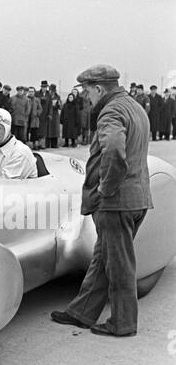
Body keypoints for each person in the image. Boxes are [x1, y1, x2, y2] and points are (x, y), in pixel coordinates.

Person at [51, 64, 153, 337]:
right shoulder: (133, 105)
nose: (86, 97)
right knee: (103, 257)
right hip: (136, 197)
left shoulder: (111, 111)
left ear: (99, 88)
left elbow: (114, 152)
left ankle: (122, 323)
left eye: (87, 91)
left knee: (118, 264)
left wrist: (106, 189)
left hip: (117, 202)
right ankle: (82, 312)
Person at [36, 80, 52, 149]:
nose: (44, 88)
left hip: (45, 115)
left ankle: (42, 144)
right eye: (43, 87)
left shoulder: (49, 95)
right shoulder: (37, 94)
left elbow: (50, 105)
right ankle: (37, 144)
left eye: (45, 87)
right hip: (38, 114)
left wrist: (50, 114)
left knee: (43, 130)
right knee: (37, 129)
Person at [46, 84, 62, 148]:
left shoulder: (57, 96)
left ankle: (54, 144)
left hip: (55, 114)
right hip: (49, 113)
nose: (51, 91)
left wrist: (58, 104)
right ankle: (47, 144)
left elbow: (60, 107)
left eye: (52, 90)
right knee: (48, 130)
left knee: (55, 130)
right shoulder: (47, 96)